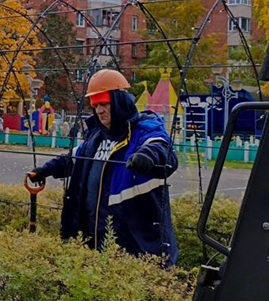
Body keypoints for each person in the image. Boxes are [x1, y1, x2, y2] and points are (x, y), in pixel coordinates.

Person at [27, 69, 179, 265]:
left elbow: (161, 148)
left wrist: (146, 157)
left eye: (104, 104)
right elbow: (74, 159)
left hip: (134, 242)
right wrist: (46, 170)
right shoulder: (97, 137)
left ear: (119, 102)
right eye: (95, 105)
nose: (99, 110)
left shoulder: (143, 130)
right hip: (94, 237)